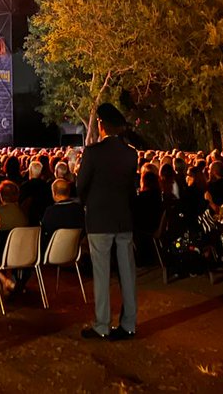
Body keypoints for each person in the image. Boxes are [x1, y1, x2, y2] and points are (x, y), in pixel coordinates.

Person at [77, 102, 138, 341]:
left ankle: (102, 324)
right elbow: (131, 188)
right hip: (124, 219)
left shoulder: (93, 152)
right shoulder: (131, 153)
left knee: (102, 274)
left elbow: (81, 185)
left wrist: (88, 203)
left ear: (101, 125)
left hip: (100, 219)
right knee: (127, 273)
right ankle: (129, 324)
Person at [39, 178, 85, 248]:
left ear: (54, 193)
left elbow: (44, 233)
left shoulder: (51, 212)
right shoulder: (79, 210)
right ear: (68, 191)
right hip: (74, 250)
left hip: (54, 251)